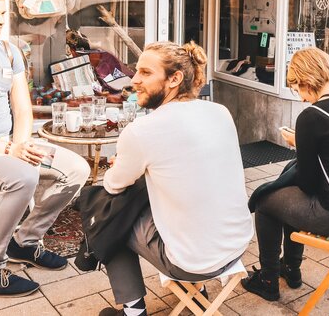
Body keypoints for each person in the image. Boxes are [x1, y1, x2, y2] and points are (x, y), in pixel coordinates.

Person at [98, 41, 253, 316]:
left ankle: (133, 311)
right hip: (237, 245)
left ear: (174, 79)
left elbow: (112, 185)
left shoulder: (142, 130)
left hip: (193, 261)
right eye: (137, 71)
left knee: (109, 215)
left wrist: (124, 164)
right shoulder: (220, 112)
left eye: (146, 73)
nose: (134, 80)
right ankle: (198, 292)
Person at [0, 0, 90, 297]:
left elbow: (21, 107)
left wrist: (20, 145)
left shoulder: (7, 51)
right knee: (22, 174)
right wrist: (10, 151)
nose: (1, 20)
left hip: (7, 145)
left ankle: (26, 241)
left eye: (4, 13)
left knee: (76, 168)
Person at [242, 47, 329, 301]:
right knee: (285, 195)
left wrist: (300, 144)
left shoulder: (312, 116)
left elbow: (307, 184)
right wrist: (305, 143)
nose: (302, 98)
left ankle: (268, 279)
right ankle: (290, 268)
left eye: (298, 90)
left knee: (267, 201)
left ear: (307, 82)